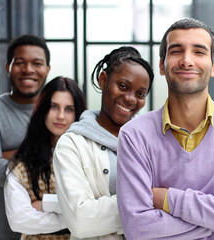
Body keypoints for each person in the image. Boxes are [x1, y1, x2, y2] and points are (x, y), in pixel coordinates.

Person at [117, 18, 214, 239]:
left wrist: (167, 199)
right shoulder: (134, 135)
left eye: (199, 52)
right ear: (162, 65)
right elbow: (137, 228)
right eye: (176, 51)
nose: (187, 61)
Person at [53, 46, 154, 240]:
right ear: (103, 80)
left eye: (140, 94)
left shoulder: (150, 142)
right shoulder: (72, 144)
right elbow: (81, 221)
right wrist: (151, 200)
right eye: (123, 86)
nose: (130, 98)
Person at [0, 34, 51, 240]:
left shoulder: (60, 112)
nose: (28, 69)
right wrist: (47, 157)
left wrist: (11, 155)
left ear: (47, 69)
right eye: (19, 63)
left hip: (57, 231)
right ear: (7, 67)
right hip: (5, 234)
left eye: (37, 63)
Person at [4, 76, 86, 239]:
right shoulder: (22, 164)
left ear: (77, 113)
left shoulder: (88, 158)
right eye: (54, 107)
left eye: (69, 109)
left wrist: (45, 204)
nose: (61, 116)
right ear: (42, 110)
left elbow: (99, 205)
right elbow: (19, 220)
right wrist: (75, 219)